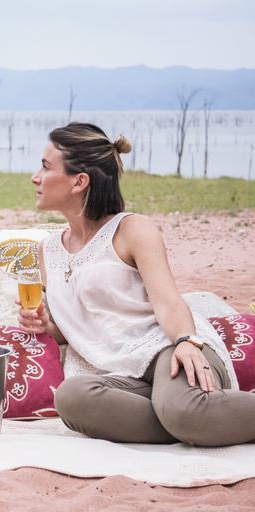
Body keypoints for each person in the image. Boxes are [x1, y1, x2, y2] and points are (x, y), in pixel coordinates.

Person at [18, 122, 255, 446]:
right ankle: (190, 421)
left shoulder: (131, 230)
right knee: (72, 397)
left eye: (45, 167)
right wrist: (47, 325)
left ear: (79, 181)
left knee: (185, 412)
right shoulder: (48, 250)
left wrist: (187, 341)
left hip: (168, 349)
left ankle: (189, 417)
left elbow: (168, 300)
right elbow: (79, 325)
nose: (35, 177)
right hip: (120, 376)